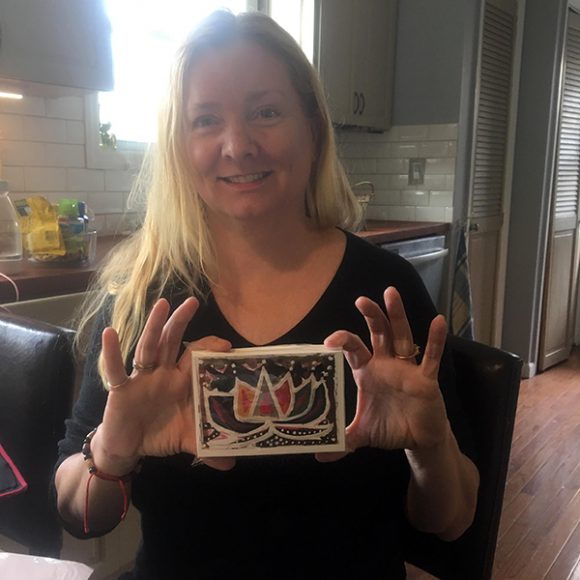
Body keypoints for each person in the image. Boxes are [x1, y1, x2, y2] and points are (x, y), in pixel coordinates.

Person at [54, 9, 479, 579]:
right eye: (206, 120)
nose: (238, 145)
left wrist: (431, 448)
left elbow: (450, 521)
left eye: (266, 112)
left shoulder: (387, 296)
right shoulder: (143, 303)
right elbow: (78, 517)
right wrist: (112, 449)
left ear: (313, 126)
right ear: (180, 146)